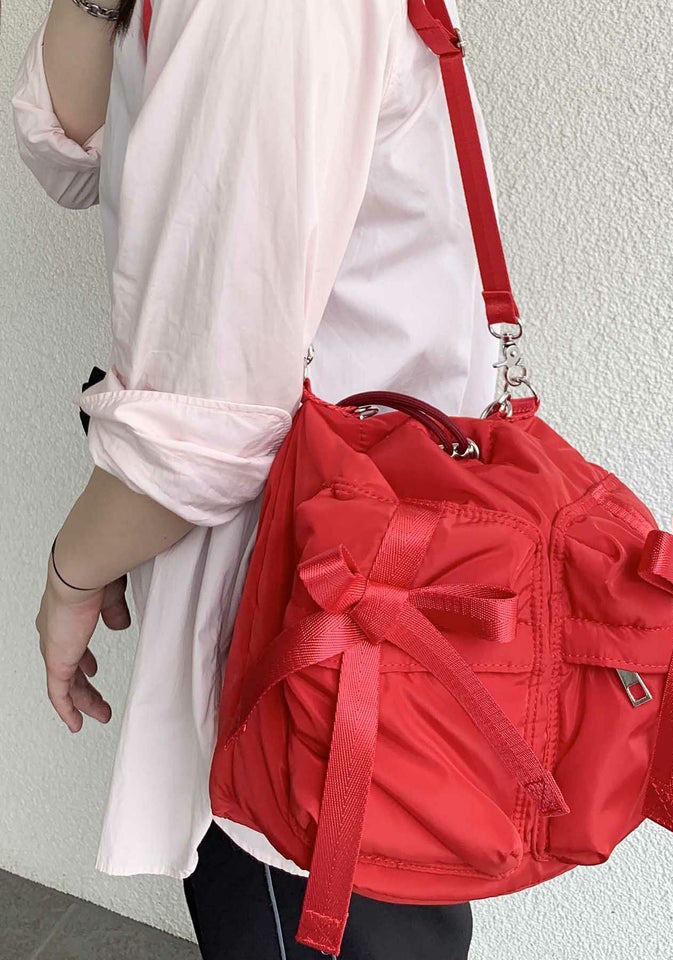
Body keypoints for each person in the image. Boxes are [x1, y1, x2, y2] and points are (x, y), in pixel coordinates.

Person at [12, 0, 504, 956]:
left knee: (312, 914)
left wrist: (69, 579)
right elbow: (66, 153)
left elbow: (207, 431)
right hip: (340, 582)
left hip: (301, 608)